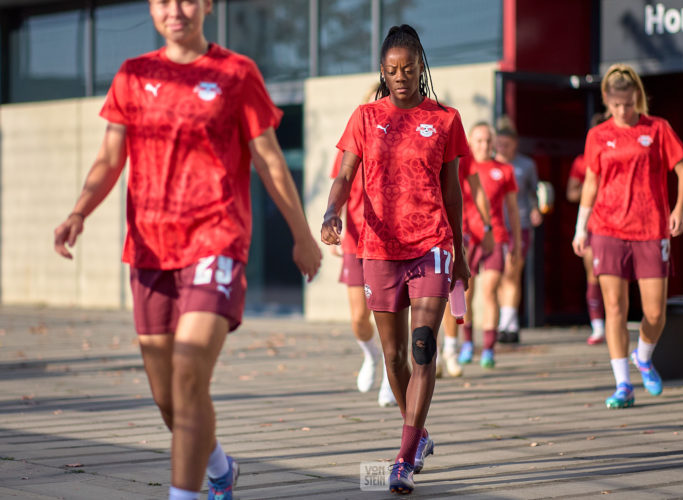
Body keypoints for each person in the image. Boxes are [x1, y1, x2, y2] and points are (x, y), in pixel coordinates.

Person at [53, 1, 322, 499]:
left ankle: (186, 494)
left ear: (209, 5)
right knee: (167, 398)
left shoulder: (236, 73)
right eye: (162, 0)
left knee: (188, 369)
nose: (175, 9)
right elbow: (111, 157)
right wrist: (78, 212)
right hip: (150, 248)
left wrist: (302, 235)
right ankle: (220, 469)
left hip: (216, 239)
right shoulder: (133, 75)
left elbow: (268, 159)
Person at [321, 24, 470, 495]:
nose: (401, 77)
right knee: (394, 355)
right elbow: (345, 174)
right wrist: (330, 211)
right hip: (380, 249)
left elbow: (453, 195)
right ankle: (419, 434)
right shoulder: (365, 117)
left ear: (421, 67)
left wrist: (461, 254)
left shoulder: (445, 119)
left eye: (408, 68)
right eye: (392, 70)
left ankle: (403, 459)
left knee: (423, 346)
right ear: (382, 72)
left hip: (432, 244)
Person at [572, 63, 683, 409]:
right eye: (616, 105)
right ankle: (623, 383)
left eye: (629, 103)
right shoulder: (598, 135)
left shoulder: (658, 128)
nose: (623, 111)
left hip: (651, 229)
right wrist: (581, 228)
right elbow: (591, 183)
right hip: (607, 229)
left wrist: (679, 209)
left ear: (638, 97)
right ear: (607, 101)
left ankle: (643, 356)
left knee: (655, 313)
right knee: (615, 307)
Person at [329, 84, 397, 407]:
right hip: (356, 239)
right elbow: (340, 183)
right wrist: (333, 221)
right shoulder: (352, 139)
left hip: (388, 241)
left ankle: (390, 371)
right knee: (359, 317)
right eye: (372, 103)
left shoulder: (398, 143)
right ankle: (371, 356)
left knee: (386, 313)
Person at [457, 122, 521, 368]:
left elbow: (513, 210)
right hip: (467, 237)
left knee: (490, 291)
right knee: (467, 293)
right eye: (479, 140)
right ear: (471, 143)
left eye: (488, 140)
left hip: (496, 238)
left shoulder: (504, 170)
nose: (484, 145)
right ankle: (467, 343)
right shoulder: (462, 167)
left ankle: (489, 348)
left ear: (494, 143)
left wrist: (514, 242)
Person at [440, 126, 495, 377]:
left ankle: (451, 349)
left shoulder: (464, 154)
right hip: (422, 230)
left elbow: (478, 191)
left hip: (456, 232)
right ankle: (430, 353)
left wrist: (487, 227)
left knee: (455, 290)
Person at [494, 116, 542, 343]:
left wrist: (536, 209)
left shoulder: (526, 165)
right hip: (494, 227)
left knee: (512, 272)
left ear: (515, 143)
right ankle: (509, 323)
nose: (502, 148)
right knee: (500, 276)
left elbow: (534, 192)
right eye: (499, 144)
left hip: (519, 225)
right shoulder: (489, 164)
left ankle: (507, 323)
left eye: (506, 144)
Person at [567, 113, 607, 345]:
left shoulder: (620, 156)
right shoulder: (583, 161)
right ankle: (598, 326)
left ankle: (613, 322)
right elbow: (571, 193)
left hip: (620, 225)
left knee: (617, 276)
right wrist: (592, 188)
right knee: (594, 274)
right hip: (593, 225)